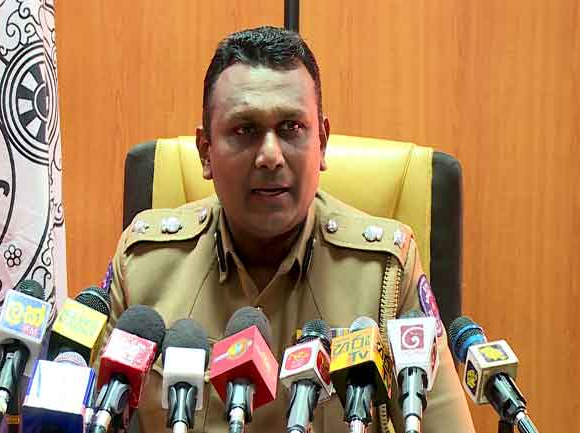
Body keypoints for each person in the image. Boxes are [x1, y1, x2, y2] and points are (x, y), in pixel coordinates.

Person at [105, 26, 476, 433]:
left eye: (291, 128)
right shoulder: (144, 266)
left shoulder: (384, 272)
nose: (270, 155)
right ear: (205, 152)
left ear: (323, 143)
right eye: (244, 130)